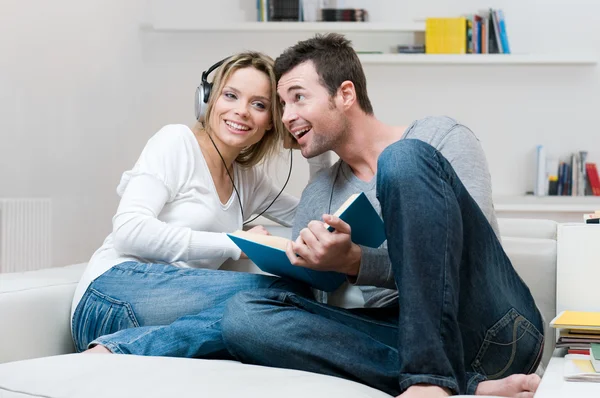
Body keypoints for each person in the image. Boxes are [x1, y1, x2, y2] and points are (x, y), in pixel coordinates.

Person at [220, 34, 545, 398]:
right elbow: (317, 307)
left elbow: (463, 258)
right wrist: (304, 261)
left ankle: (430, 382)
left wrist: (358, 262)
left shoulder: (438, 138)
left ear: (345, 94)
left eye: (298, 97)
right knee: (243, 317)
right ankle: (469, 386)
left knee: (401, 159)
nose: (287, 116)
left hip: (494, 327)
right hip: (399, 339)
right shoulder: (319, 195)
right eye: (282, 104)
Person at [70, 51, 320, 358]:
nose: (241, 111)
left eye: (259, 104)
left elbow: (315, 215)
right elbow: (128, 231)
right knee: (282, 294)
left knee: (274, 309)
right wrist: (235, 242)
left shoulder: (247, 178)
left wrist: (313, 142)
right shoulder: (176, 142)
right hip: (110, 293)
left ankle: (125, 347)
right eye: (231, 95)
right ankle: (120, 348)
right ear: (208, 100)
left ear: (272, 122)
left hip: (159, 314)